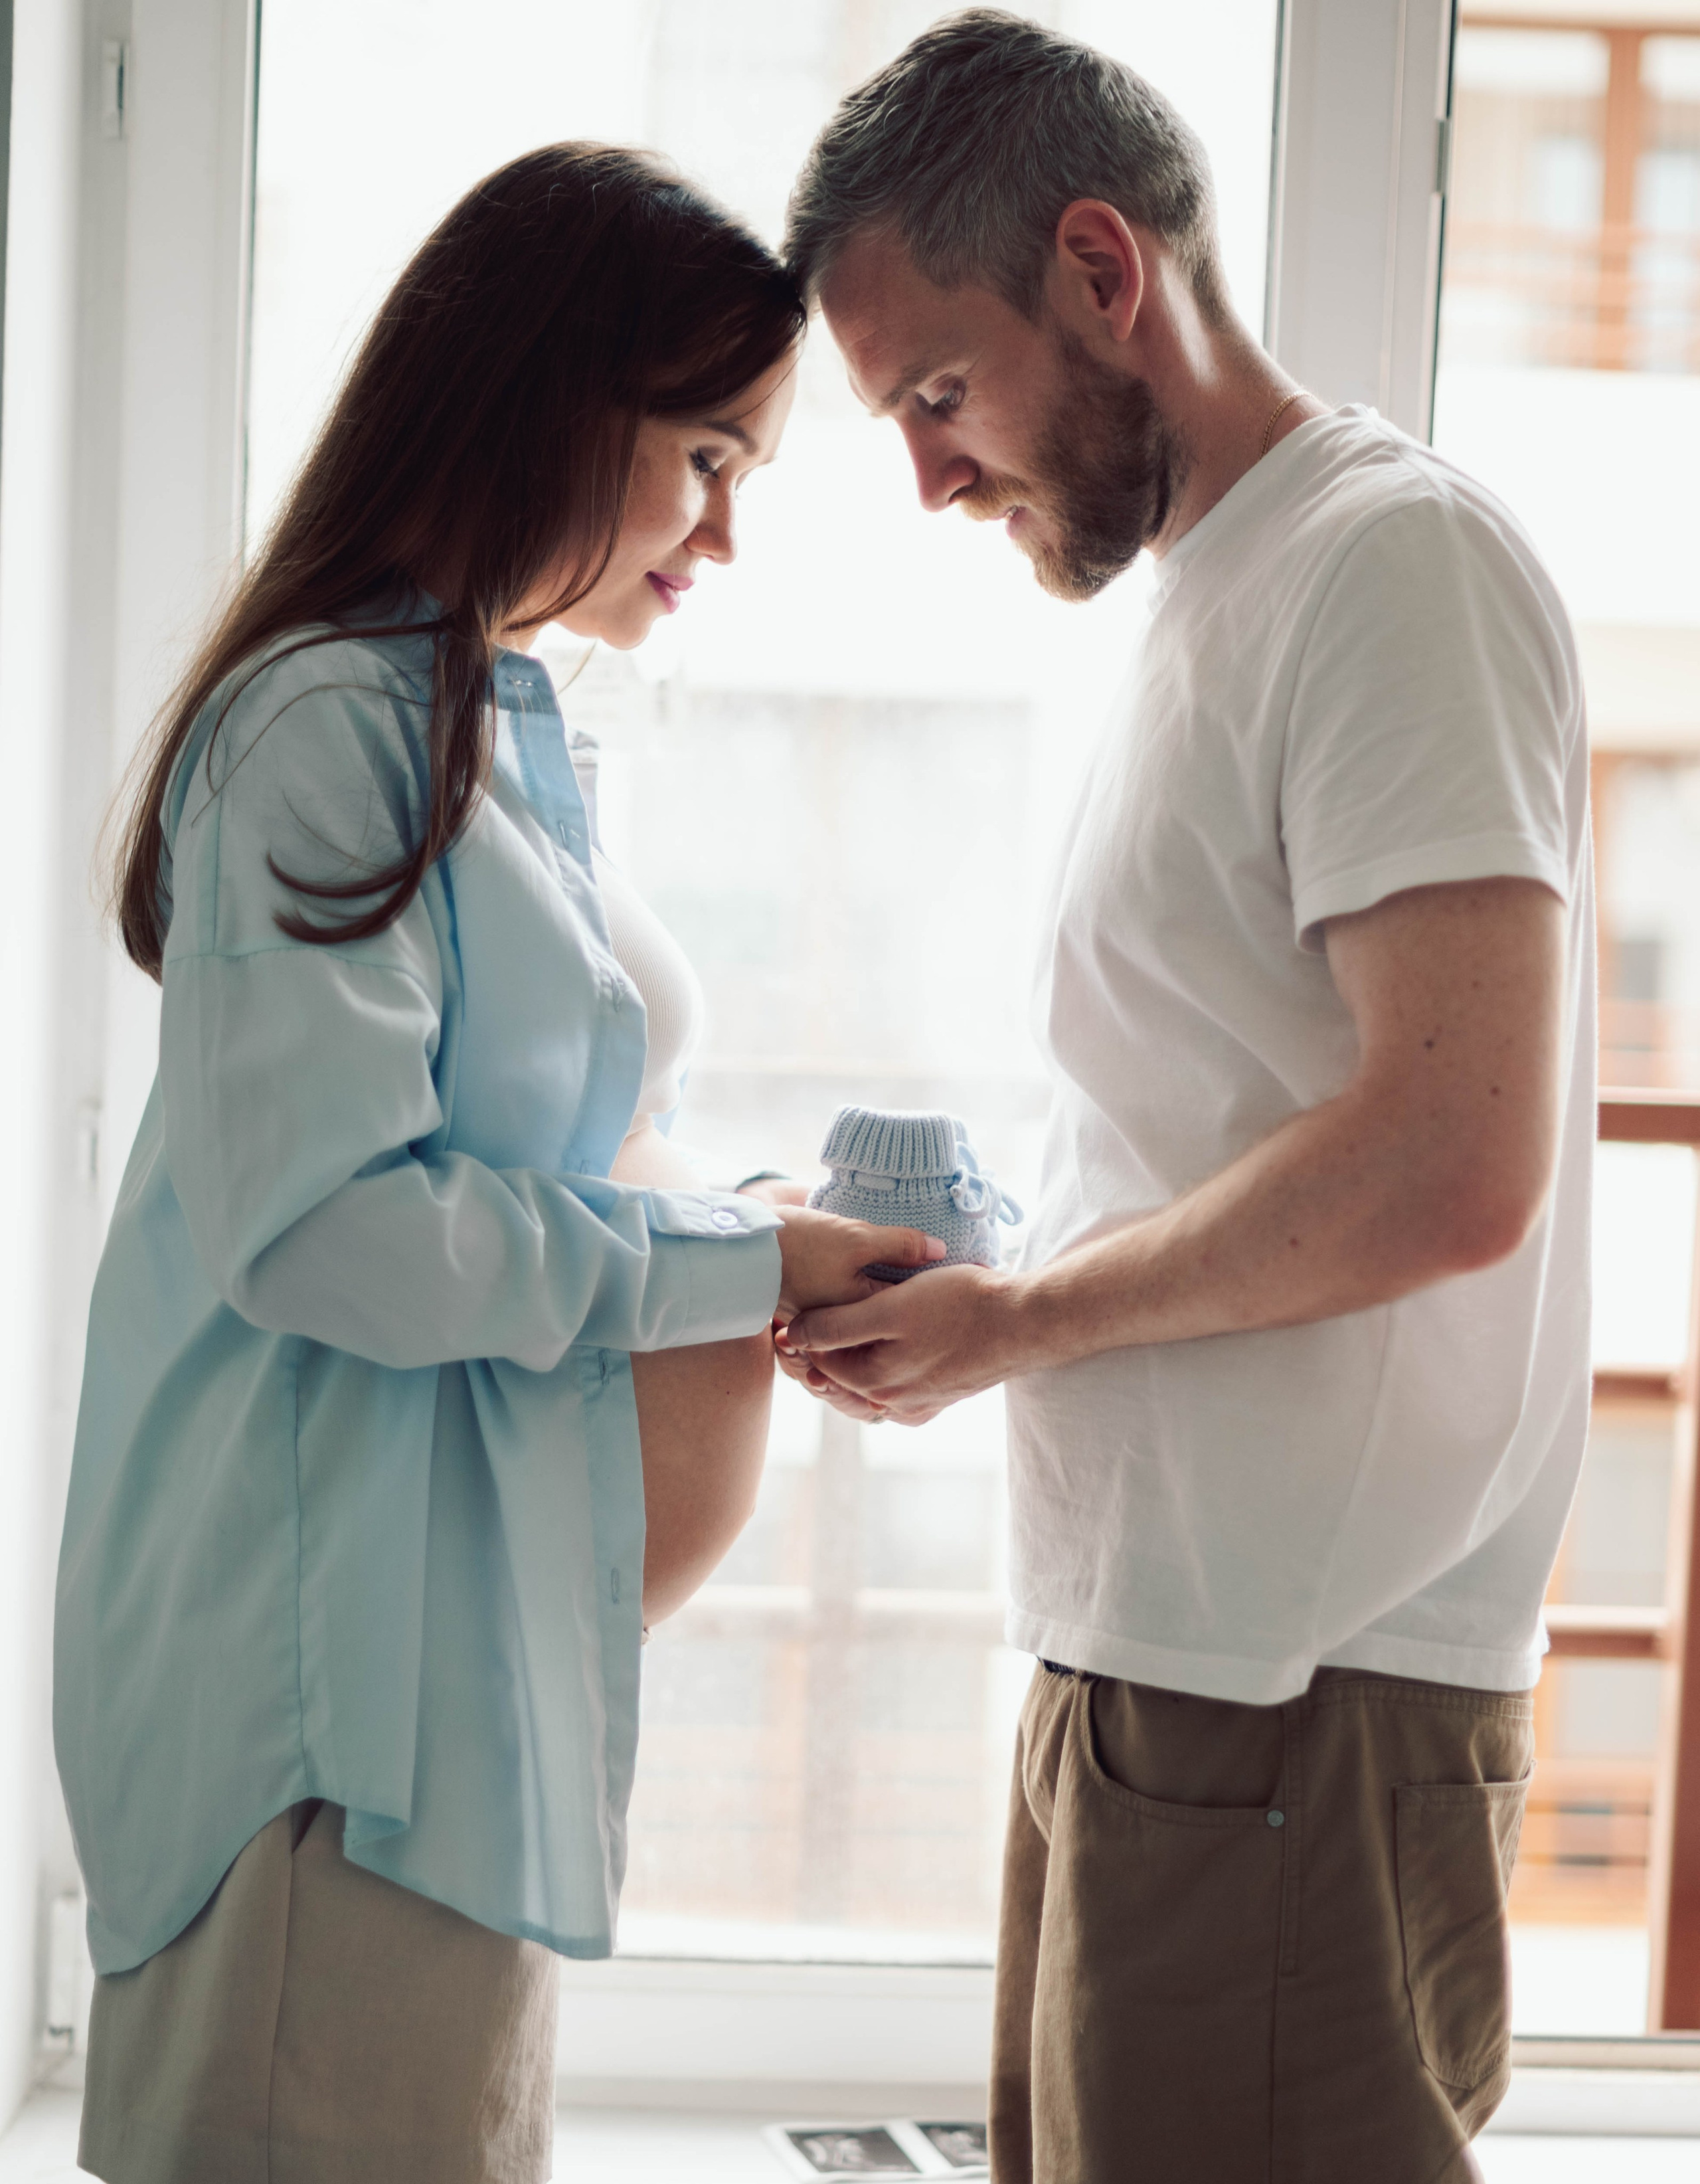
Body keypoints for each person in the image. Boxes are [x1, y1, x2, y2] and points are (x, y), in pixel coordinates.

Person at [58, 143, 943, 2184]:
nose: (726, 534)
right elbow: (328, 1234)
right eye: (706, 458)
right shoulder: (327, 727)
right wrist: (737, 1268)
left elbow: (514, 1150)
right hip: (329, 1725)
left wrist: (755, 1228)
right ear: (552, 401)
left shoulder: (477, 713)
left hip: (448, 1692)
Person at [779, 13, 1590, 2180]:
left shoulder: (1389, 568)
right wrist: (982, 1291)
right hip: (1169, 1667)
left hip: (1301, 1692)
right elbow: (1228, 1119)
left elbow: (1450, 1163)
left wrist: (1019, 1323)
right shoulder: (1205, 601)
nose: (930, 477)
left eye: (937, 395)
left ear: (1099, 270)